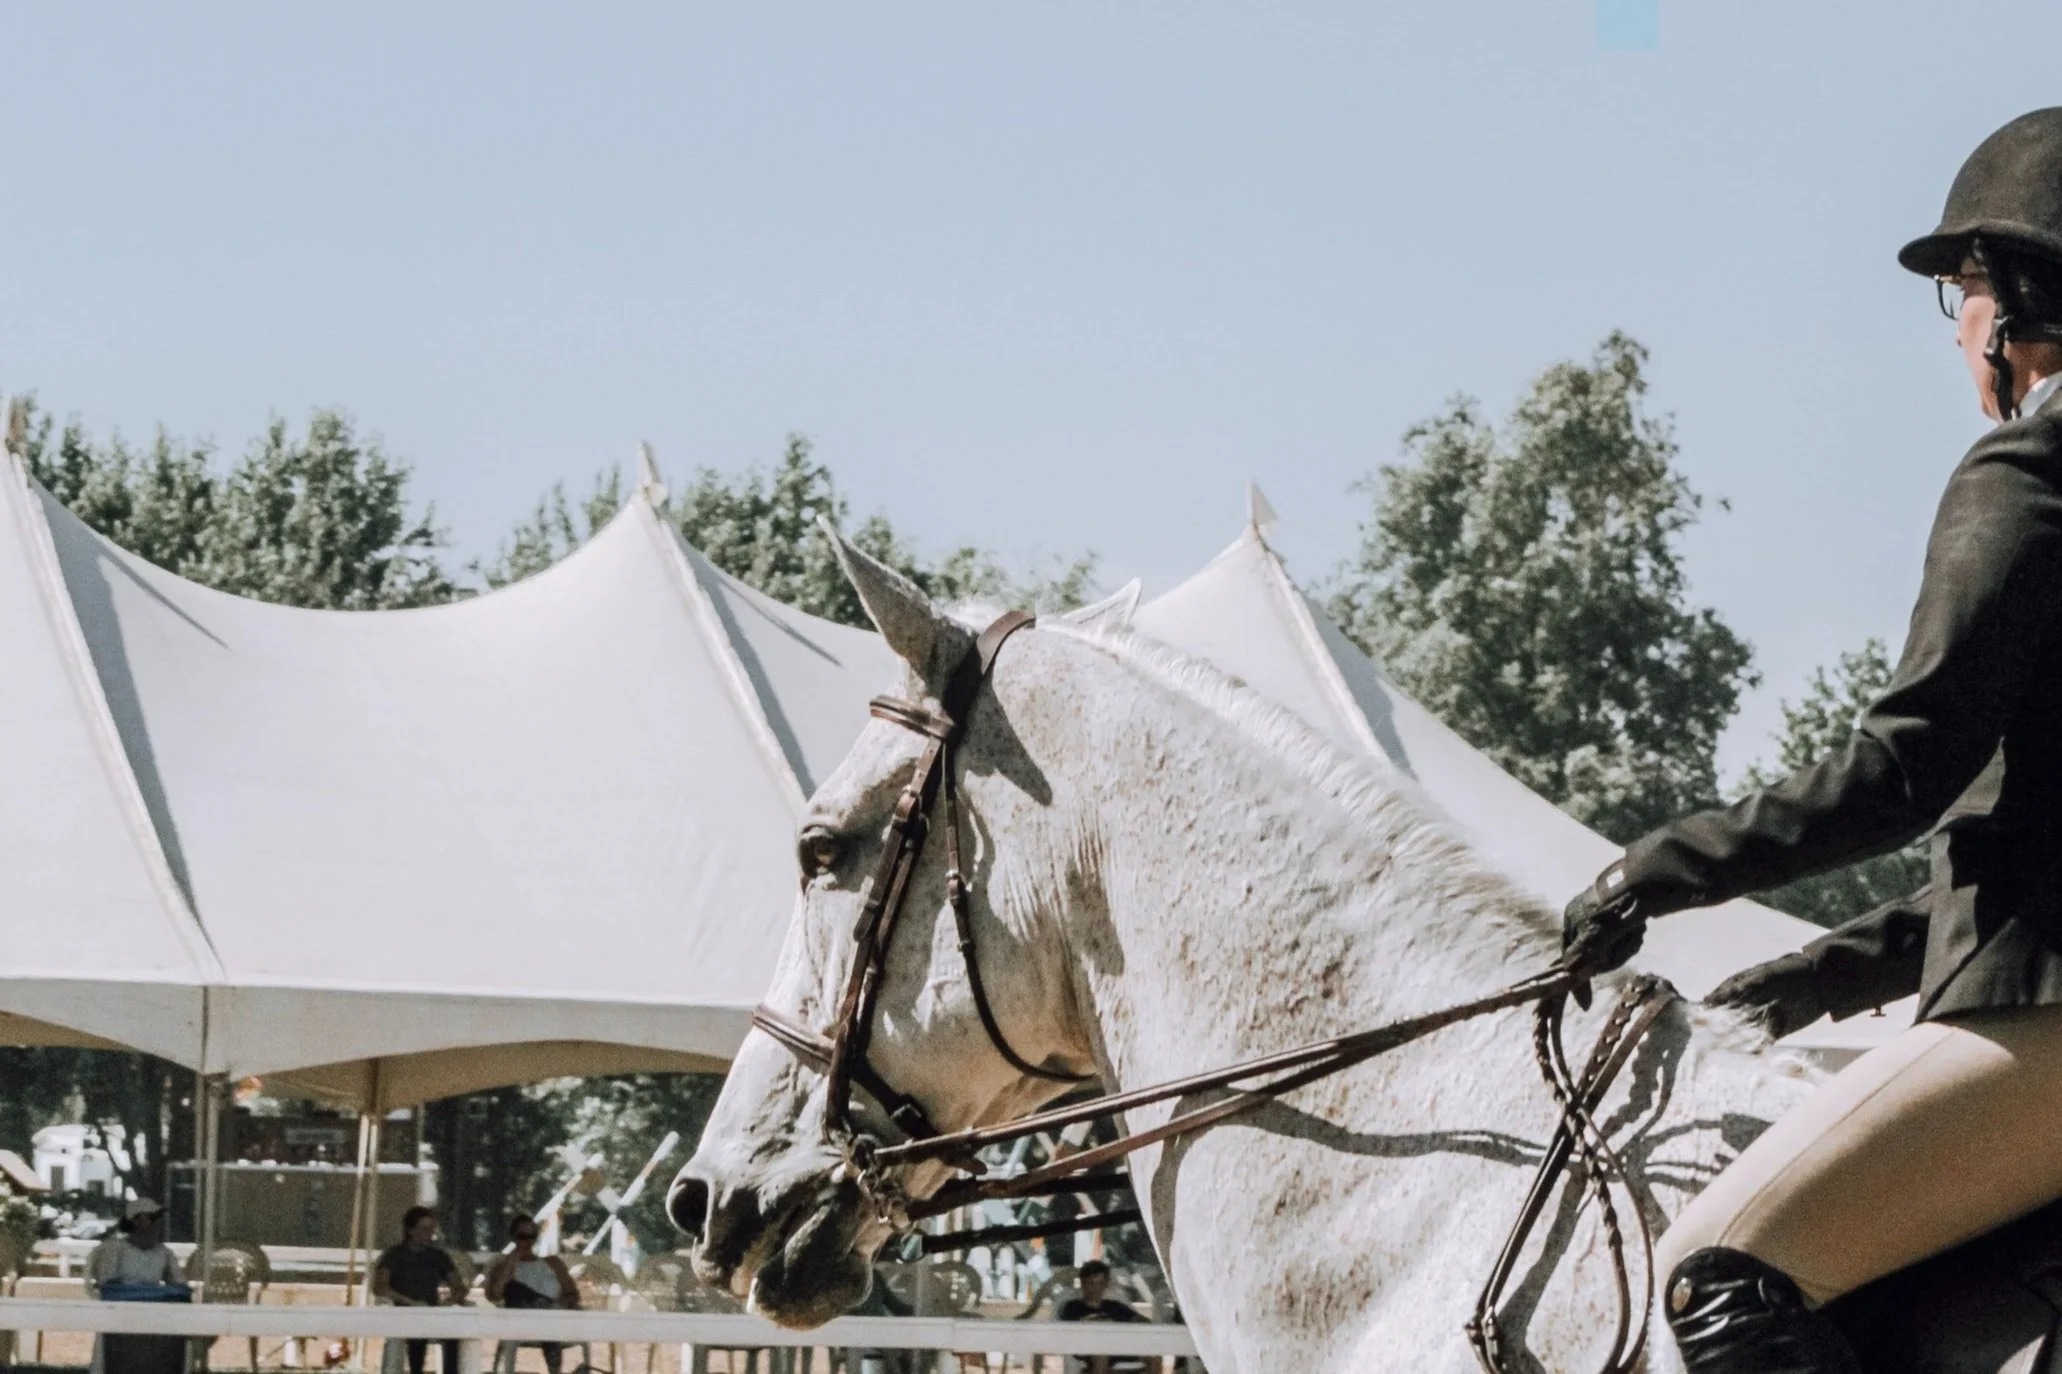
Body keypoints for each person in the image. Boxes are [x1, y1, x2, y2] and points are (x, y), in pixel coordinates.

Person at [1559, 106, 2062, 1374]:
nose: (1954, 326)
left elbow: (1904, 770)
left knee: (1719, 1269)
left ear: (2011, 299)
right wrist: (1829, 973)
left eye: (1958, 290)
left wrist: (1654, 870)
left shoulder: (2030, 467)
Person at [88, 1199, 187, 1374]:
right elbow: (106, 1285)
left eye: (158, 1218)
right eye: (152, 1217)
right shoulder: (114, 1249)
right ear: (135, 1220)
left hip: (155, 1325)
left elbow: (179, 1286)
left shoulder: (164, 1253)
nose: (157, 1223)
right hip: (118, 1321)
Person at [373, 1207, 466, 1374]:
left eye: (432, 1229)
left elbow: (459, 1286)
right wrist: (411, 1303)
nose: (430, 1234)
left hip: (432, 1312)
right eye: (425, 1229)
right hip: (400, 1312)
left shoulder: (438, 1256)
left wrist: (448, 1302)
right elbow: (380, 1287)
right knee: (417, 1332)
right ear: (410, 1230)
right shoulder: (394, 1255)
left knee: (453, 1335)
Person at [484, 1214, 579, 1374]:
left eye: (532, 1236)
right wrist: (510, 1263)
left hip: (552, 1316)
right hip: (520, 1319)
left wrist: (564, 1303)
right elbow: (494, 1295)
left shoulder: (553, 1263)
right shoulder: (503, 1265)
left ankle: (543, 1310)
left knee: (547, 1320)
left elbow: (573, 1294)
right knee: (514, 1289)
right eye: (522, 1236)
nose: (527, 1241)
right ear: (513, 1237)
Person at [1056, 1260, 1147, 1374]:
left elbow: (1137, 1319)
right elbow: (1072, 1333)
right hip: (1089, 1348)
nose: (1094, 1288)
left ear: (1106, 1284)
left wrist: (1143, 1323)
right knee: (1101, 1356)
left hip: (1118, 1347)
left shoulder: (1114, 1306)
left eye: (1099, 1283)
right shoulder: (1073, 1306)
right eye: (1090, 1283)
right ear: (1083, 1283)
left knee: (1154, 1356)